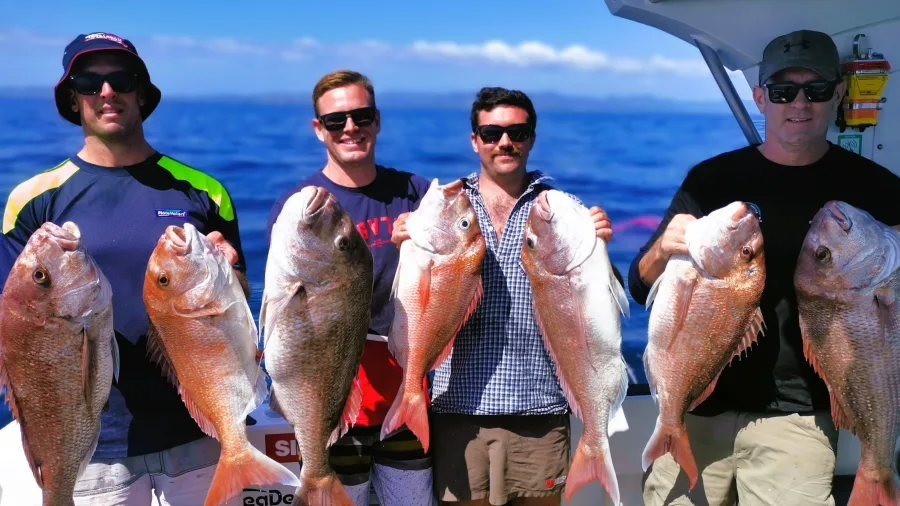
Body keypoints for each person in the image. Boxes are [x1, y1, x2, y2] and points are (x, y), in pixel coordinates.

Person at [630, 29, 900, 506]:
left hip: (798, 416)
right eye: (782, 91)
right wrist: (657, 252)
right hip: (696, 407)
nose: (800, 103)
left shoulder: (877, 187)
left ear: (838, 94)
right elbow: (639, 285)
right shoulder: (712, 180)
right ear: (760, 97)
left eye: (816, 90)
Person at [0, 32, 248, 504]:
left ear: (142, 91)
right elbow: (16, 335)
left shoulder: (203, 191)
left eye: (121, 78)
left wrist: (229, 270)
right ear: (73, 98)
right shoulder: (32, 200)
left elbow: (238, 311)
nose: (106, 92)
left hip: (198, 427)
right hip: (91, 441)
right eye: (89, 82)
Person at [392, 86, 617, 506]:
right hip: (457, 407)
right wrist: (403, 242)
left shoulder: (560, 207)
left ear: (532, 137)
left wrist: (600, 246)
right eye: (492, 132)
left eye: (517, 131)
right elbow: (407, 294)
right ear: (474, 140)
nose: (504, 142)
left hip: (540, 410)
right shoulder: (444, 206)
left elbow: (596, 301)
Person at [265, 70, 436, 506]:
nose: (350, 128)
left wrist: (426, 246)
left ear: (377, 120)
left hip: (406, 393)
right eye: (336, 120)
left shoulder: (416, 193)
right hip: (330, 395)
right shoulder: (300, 209)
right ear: (318, 128)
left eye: (360, 116)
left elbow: (459, 274)